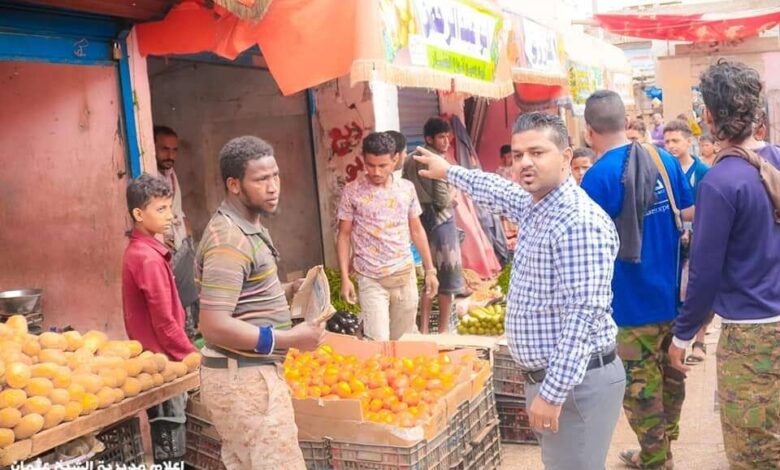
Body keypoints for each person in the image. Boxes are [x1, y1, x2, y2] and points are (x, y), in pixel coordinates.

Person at [415, 112, 625, 469]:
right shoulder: (538, 205)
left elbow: (584, 315)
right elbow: (498, 190)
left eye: (538, 153)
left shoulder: (577, 222)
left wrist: (553, 393)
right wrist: (448, 170)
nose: (525, 162)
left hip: (575, 383)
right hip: (553, 379)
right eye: (517, 154)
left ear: (566, 157)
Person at [669, 61, 780, 470]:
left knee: (754, 451)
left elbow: (704, 271)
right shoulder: (777, 160)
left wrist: (683, 336)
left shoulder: (720, 181)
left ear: (710, 117)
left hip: (751, 337)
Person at [195, 136, 325, 470]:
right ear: (234, 184)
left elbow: (241, 294)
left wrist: (285, 289)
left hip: (246, 377)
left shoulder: (248, 226)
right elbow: (214, 325)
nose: (273, 187)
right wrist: (289, 340)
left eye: (275, 176)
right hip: (246, 382)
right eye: (261, 179)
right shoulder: (229, 241)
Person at [580, 90, 694, 470]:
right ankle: (661, 448)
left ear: (588, 130)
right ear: (625, 122)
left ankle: (658, 460)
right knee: (671, 379)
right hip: (672, 300)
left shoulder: (596, 178)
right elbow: (689, 209)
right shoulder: (662, 158)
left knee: (642, 392)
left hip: (629, 308)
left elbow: (588, 248)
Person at [121, 174, 198, 467]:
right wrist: (192, 355)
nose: (170, 217)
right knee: (170, 437)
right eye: (161, 209)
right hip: (162, 361)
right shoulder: (147, 259)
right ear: (139, 214)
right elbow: (165, 323)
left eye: (170, 208)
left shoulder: (144, 251)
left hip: (157, 357)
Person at [337, 132, 438, 340]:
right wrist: (345, 279)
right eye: (370, 165)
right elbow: (344, 235)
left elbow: (417, 230)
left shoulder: (406, 189)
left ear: (395, 160)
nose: (375, 171)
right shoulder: (352, 191)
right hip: (371, 279)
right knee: (379, 344)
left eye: (382, 165)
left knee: (403, 341)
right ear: (363, 159)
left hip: (404, 276)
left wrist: (430, 270)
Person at [403, 117, 465, 334]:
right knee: (447, 279)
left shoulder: (410, 159)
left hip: (420, 223)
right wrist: (454, 195)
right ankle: (443, 331)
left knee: (429, 278)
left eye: (447, 137)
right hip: (441, 224)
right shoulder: (437, 162)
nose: (446, 141)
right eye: (441, 137)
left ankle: (424, 328)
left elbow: (405, 189)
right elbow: (442, 201)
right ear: (429, 138)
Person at [663, 119, 711, 364]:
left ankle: (700, 341)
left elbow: (707, 208)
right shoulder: (663, 172)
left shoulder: (702, 171)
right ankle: (676, 339)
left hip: (697, 238)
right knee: (677, 291)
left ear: (688, 141)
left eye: (676, 140)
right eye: (667, 141)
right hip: (672, 240)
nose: (670, 146)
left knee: (697, 289)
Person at [153, 125, 198, 340]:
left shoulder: (171, 174)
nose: (170, 155)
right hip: (165, 250)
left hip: (181, 245)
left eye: (174, 150)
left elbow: (179, 209)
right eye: (164, 149)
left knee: (187, 298)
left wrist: (190, 240)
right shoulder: (150, 177)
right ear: (152, 147)